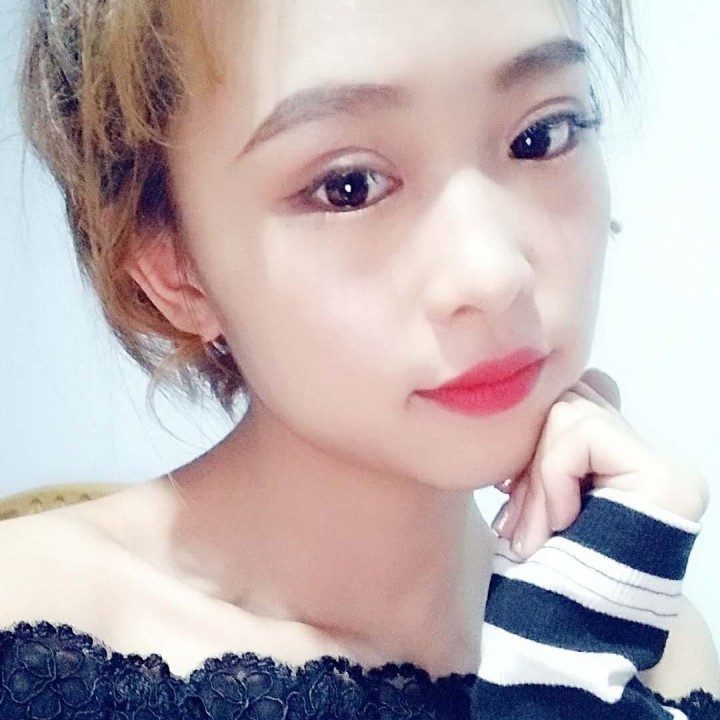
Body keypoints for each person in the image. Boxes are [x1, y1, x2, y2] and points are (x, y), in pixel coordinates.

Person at [1, 0, 718, 717]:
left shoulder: (646, 642)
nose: (493, 274)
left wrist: (569, 654)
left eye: (541, 136)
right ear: (174, 270)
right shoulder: (30, 632)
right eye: (348, 187)